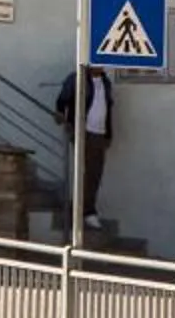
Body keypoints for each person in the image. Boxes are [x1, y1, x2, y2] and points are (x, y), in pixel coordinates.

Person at [55, 65, 115, 230]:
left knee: (95, 173)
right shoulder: (77, 78)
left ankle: (84, 209)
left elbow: (107, 108)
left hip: (99, 133)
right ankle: (86, 211)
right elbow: (63, 99)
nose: (100, 66)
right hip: (83, 130)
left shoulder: (106, 82)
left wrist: (109, 134)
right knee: (86, 172)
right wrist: (61, 114)